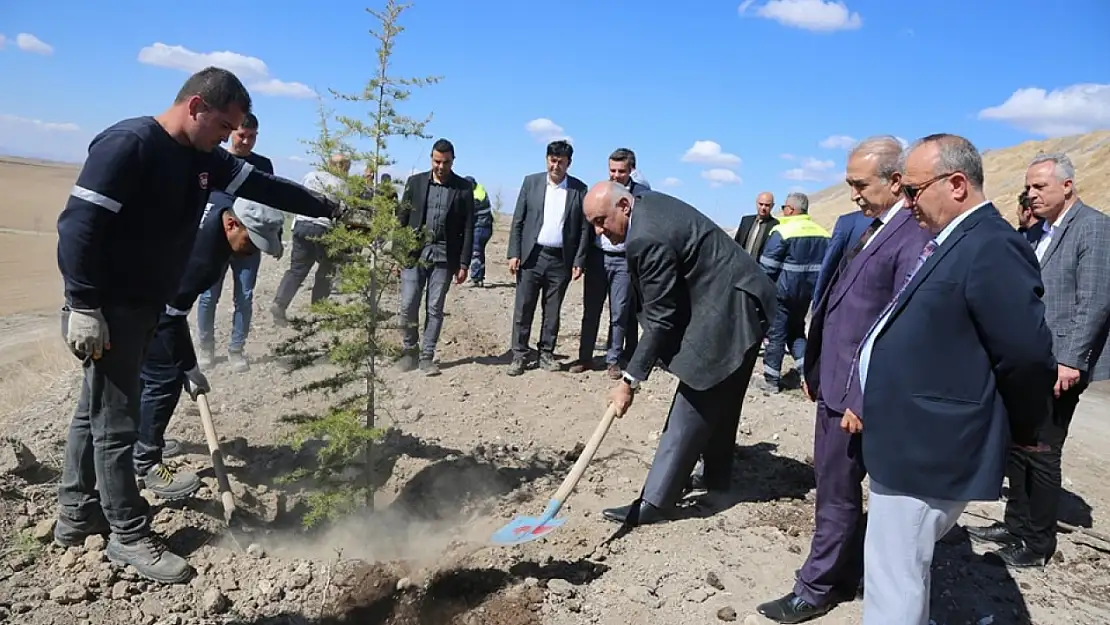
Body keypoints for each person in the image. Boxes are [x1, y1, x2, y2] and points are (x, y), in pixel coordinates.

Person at [54, 66, 348, 585]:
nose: (228, 138)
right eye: (222, 126)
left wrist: (332, 208)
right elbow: (78, 225)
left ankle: (77, 515)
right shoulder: (130, 145)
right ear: (195, 107)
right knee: (116, 424)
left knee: (93, 412)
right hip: (110, 308)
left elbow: (267, 187)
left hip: (143, 305)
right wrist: (82, 304)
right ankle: (127, 532)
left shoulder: (203, 160)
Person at [856, 134, 1055, 624]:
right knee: (896, 566)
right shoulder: (957, 239)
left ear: (957, 184)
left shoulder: (991, 245)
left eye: (914, 191)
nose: (906, 203)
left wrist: (1026, 431)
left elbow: (1027, 356)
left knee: (894, 574)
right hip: (911, 436)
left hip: (932, 443)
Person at [756, 136, 931, 624]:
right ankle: (845, 568)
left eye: (860, 183)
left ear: (896, 182)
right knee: (833, 487)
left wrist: (860, 396)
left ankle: (817, 588)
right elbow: (837, 305)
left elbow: (895, 328)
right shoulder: (870, 228)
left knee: (836, 492)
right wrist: (814, 367)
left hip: (857, 396)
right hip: (835, 382)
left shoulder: (912, 237)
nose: (852, 193)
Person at [581, 182, 776, 526]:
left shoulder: (645, 237)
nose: (599, 231)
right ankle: (717, 481)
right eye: (593, 225)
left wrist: (629, 381)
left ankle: (656, 502)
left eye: (601, 221)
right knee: (723, 400)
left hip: (730, 308)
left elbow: (660, 318)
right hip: (741, 298)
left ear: (624, 205)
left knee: (697, 396)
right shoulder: (647, 207)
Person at [967, 152, 1110, 568]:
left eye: (1040, 186)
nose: (1031, 194)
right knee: (1018, 443)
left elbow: (1096, 301)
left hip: (1061, 362)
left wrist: (1071, 360)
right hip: (1033, 359)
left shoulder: (1094, 228)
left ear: (1067, 185)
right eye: (1029, 187)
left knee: (1044, 449)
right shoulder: (1041, 231)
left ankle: (1037, 542)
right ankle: (1014, 525)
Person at [134, 199, 286, 501]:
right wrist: (188, 366)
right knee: (163, 379)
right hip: (132, 301)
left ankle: (138, 440)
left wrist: (188, 364)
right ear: (232, 224)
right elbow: (168, 320)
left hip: (140, 293)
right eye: (251, 241)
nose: (252, 251)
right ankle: (146, 461)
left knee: (147, 373)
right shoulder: (203, 258)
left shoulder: (212, 209)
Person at [194, 112, 274, 373]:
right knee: (207, 296)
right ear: (232, 134)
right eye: (242, 135)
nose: (246, 142)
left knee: (245, 296)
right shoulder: (215, 160)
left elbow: (269, 202)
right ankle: (206, 348)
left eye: (252, 137)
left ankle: (236, 350)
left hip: (248, 242)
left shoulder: (263, 165)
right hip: (215, 241)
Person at [505, 140, 590, 376]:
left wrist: (579, 261)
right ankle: (519, 355)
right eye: (553, 161)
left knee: (552, 311)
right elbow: (518, 220)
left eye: (561, 162)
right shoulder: (531, 182)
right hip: (532, 257)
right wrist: (514, 253)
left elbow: (584, 229)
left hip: (560, 260)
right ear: (546, 160)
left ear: (569, 163)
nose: (556, 166)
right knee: (523, 307)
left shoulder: (579, 190)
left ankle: (546, 353)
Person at [393, 139, 475, 376]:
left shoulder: (463, 188)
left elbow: (469, 227)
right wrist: (398, 253)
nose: (441, 166)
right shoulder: (415, 183)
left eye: (446, 162)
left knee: (435, 307)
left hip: (444, 257)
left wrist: (463, 263)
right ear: (431, 158)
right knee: (408, 305)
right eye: (437, 161)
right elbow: (401, 219)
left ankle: (427, 356)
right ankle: (410, 350)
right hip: (414, 254)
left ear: (453, 161)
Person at [568, 148, 646, 379]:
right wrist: (580, 259)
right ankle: (585, 357)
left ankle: (613, 360)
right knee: (590, 310)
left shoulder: (642, 195)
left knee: (619, 312)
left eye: (621, 171)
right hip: (597, 258)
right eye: (612, 170)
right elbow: (586, 228)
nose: (616, 175)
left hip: (624, 261)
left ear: (631, 170)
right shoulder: (600, 192)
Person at [759, 192, 830, 393]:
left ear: (790, 209)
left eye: (783, 207)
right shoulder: (823, 233)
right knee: (797, 332)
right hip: (807, 295)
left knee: (777, 334)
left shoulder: (783, 230)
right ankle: (806, 375)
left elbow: (767, 267)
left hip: (783, 294)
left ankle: (771, 381)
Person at [271, 154, 351, 325]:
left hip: (301, 225)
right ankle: (319, 309)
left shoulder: (311, 176)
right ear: (344, 167)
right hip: (324, 228)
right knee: (326, 270)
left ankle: (280, 303)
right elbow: (344, 211)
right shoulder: (342, 184)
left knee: (297, 269)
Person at [812, 209, 871, 308]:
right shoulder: (849, 222)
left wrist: (818, 306)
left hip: (850, 307)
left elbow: (828, 267)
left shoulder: (849, 222)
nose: (854, 196)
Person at [465, 175, 494, 287]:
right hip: (486, 227)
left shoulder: (476, 197)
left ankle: (475, 279)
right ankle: (479, 277)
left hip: (481, 228)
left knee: (475, 252)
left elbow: (468, 212)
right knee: (480, 252)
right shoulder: (479, 190)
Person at [733, 191, 779, 259]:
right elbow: (736, 243)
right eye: (761, 204)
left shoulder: (776, 225)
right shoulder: (746, 221)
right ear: (756, 203)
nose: (763, 208)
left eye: (767, 205)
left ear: (772, 206)